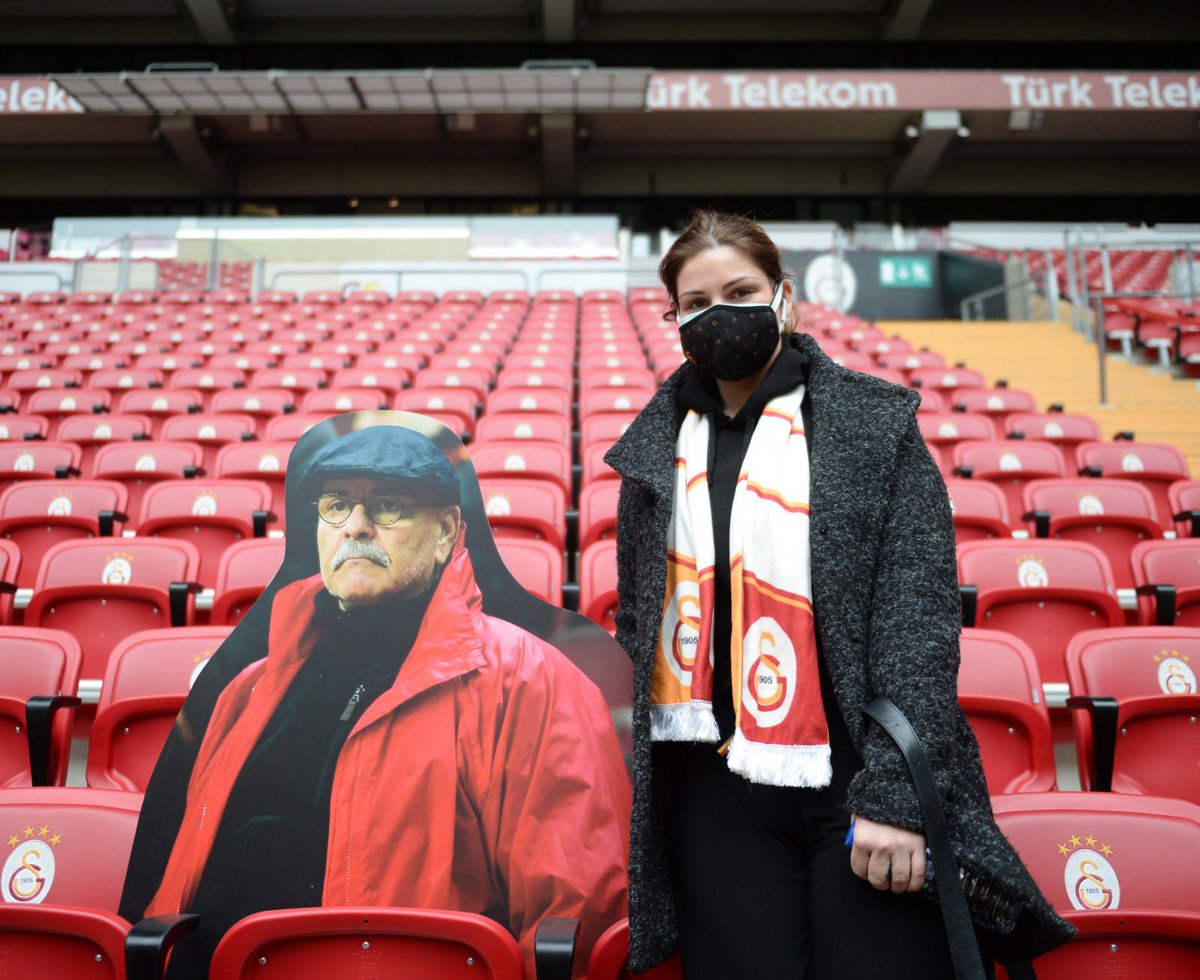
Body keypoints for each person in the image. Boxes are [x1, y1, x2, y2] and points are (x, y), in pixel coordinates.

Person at [604, 210, 1072, 979]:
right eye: (695, 302)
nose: (718, 313)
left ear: (783, 296)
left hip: (855, 772)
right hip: (713, 788)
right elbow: (637, 620)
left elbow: (916, 624)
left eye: (740, 290)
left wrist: (894, 797)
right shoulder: (654, 447)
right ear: (675, 320)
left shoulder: (870, 422)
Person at [144, 424, 630, 978]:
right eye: (335, 506)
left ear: (447, 530)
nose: (355, 526)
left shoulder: (531, 681)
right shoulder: (246, 689)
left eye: (387, 506)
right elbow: (180, 889)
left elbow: (572, 924)